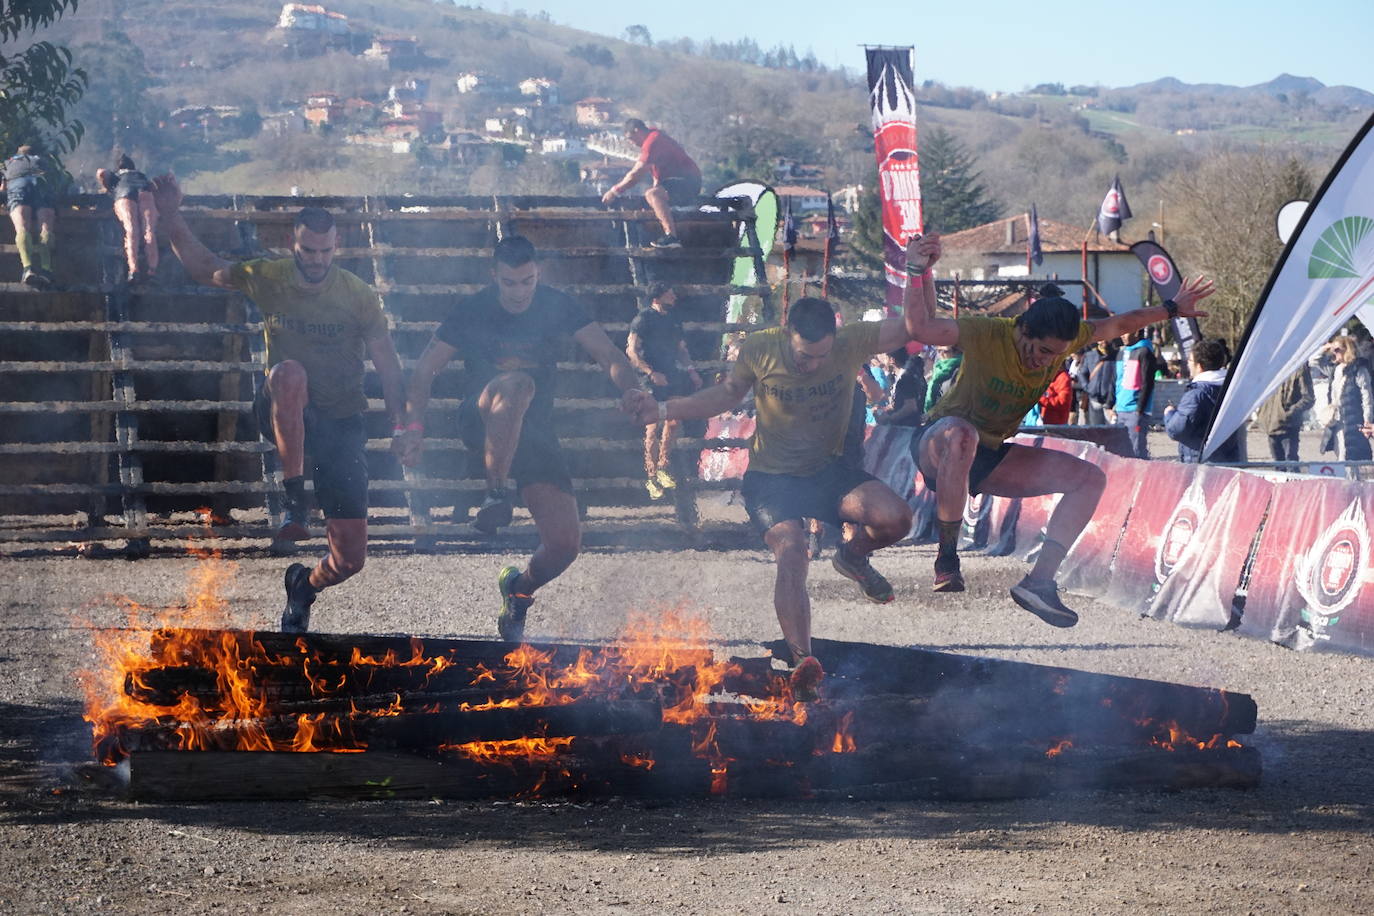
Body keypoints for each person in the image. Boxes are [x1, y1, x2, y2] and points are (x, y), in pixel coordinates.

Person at [631, 241, 940, 697]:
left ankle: (852, 557)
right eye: (802, 356)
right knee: (793, 552)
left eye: (819, 357)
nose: (810, 365)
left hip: (829, 471)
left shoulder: (853, 340)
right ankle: (803, 663)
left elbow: (919, 326)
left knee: (897, 518)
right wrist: (665, 407)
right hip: (772, 480)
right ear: (787, 333)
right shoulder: (761, 348)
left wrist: (918, 271)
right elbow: (725, 396)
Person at [903, 228, 1214, 627]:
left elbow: (1119, 323)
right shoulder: (988, 333)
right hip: (937, 443)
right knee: (963, 434)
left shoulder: (1067, 341)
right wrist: (916, 270)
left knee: (1089, 479)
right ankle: (947, 557)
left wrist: (1172, 308)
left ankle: (1040, 582)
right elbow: (921, 328)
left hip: (988, 454)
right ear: (1023, 331)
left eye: (1058, 354)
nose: (1046, 361)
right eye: (1043, 351)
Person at [152, 173, 407, 634]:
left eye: (325, 252)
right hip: (284, 407)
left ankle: (304, 586)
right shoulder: (268, 276)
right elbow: (204, 266)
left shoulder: (357, 295)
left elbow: (388, 367)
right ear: (294, 245)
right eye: (308, 252)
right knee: (289, 373)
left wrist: (404, 427)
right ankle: (294, 500)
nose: (317, 261)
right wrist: (170, 216)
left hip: (342, 423)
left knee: (351, 558)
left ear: (337, 246)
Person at [395, 235, 645, 642]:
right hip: (480, 418)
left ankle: (518, 591)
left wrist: (630, 390)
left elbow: (610, 355)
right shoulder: (471, 309)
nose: (518, 291)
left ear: (537, 274)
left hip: (534, 433)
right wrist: (413, 428)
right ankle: (496, 493)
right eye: (509, 283)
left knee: (565, 544)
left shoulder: (558, 304)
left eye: (526, 281)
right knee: (516, 384)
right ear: (495, 276)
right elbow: (425, 371)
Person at [626, 283, 702, 500]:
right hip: (650, 378)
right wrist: (650, 373)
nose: (674, 295)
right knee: (652, 426)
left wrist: (692, 371)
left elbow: (682, 350)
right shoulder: (643, 318)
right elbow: (631, 351)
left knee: (674, 421)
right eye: (670, 292)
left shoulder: (674, 319)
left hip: (671, 375)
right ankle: (651, 477)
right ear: (657, 297)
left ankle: (663, 466)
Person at [601, 118, 702, 249]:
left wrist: (614, 191)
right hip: (680, 182)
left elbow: (636, 174)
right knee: (652, 198)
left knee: (653, 195)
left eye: (631, 138)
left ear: (637, 131)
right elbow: (657, 178)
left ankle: (671, 236)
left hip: (688, 182)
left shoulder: (653, 141)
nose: (632, 143)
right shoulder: (655, 138)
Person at [1163, 339, 1242, 463]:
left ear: (1199, 366)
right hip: (1228, 458)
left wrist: (1169, 414)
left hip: (1201, 462)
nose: (1188, 364)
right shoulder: (1232, 388)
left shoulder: (1196, 394)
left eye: (1189, 361)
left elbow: (1177, 430)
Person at [2, 144, 58, 289]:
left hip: (18, 186)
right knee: (46, 229)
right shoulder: (43, 162)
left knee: (22, 227)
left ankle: (28, 268)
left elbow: (2, 189)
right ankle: (46, 270)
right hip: (41, 185)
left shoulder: (8, 163)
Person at [97, 155, 158, 284]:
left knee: (132, 230)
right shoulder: (141, 176)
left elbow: (101, 172)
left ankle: (133, 270)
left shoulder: (117, 176)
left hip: (124, 193)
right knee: (149, 231)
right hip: (144, 192)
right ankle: (152, 271)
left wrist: (106, 187)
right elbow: (154, 186)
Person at [1319, 335, 1374, 463]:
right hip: (1336, 421)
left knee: (1353, 458)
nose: (1334, 352)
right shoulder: (1335, 369)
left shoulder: (1359, 369)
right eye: (1334, 350)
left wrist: (1367, 420)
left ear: (1347, 349)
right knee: (1340, 456)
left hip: (1354, 420)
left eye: (1337, 349)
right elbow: (1314, 361)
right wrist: (1327, 347)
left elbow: (1367, 398)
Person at [1255, 365, 1315, 464]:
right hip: (1269, 424)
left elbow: (1308, 398)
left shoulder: (1299, 368)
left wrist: (1289, 413)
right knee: (1278, 467)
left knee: (1291, 465)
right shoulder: (1271, 366)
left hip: (1288, 426)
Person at [1114, 328, 1158, 458]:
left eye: (1126, 331)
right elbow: (1117, 380)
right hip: (1121, 408)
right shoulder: (1121, 353)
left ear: (1136, 331)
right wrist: (1112, 403)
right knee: (1122, 449)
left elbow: (1148, 383)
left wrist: (1140, 409)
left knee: (1136, 448)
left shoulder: (1145, 352)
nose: (1122, 335)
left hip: (1135, 410)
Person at [878, 350, 926, 427]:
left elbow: (910, 406)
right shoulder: (901, 376)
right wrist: (884, 409)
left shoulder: (905, 378)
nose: (881, 358)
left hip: (908, 426)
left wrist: (890, 418)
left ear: (892, 359)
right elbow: (900, 402)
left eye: (884, 356)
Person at [1083, 339, 1116, 424]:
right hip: (1094, 399)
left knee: (1111, 432)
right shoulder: (1090, 355)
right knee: (1095, 431)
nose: (1104, 340)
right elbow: (1082, 373)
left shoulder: (1117, 355)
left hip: (1111, 401)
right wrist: (1088, 387)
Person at [924, 345, 962, 412]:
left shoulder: (960, 369)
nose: (941, 354)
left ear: (957, 352)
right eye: (938, 351)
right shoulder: (938, 368)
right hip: (934, 414)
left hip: (950, 414)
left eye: (945, 351)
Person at [1037, 360, 1074, 425]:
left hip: (1057, 423)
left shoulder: (1064, 378)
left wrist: (1041, 399)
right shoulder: (1048, 377)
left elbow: (1063, 402)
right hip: (1044, 419)